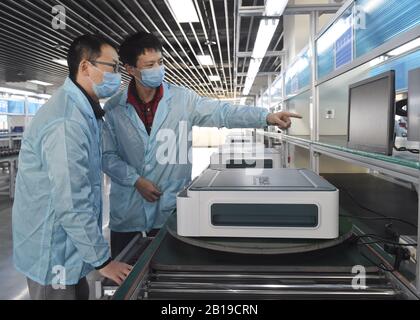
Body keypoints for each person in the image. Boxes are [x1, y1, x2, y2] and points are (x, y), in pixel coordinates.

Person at [102, 32, 302, 257]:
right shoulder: (114, 108)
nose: (158, 68)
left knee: (168, 274)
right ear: (130, 69)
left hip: (169, 208)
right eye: (149, 65)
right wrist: (135, 180)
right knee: (126, 281)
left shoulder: (182, 100)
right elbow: (107, 156)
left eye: (160, 62)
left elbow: (223, 113)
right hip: (129, 214)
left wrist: (265, 117)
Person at [12, 34, 132, 300]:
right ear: (86, 67)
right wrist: (103, 261)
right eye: (112, 67)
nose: (118, 75)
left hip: (69, 249)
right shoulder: (67, 121)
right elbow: (72, 201)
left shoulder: (83, 111)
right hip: (53, 252)